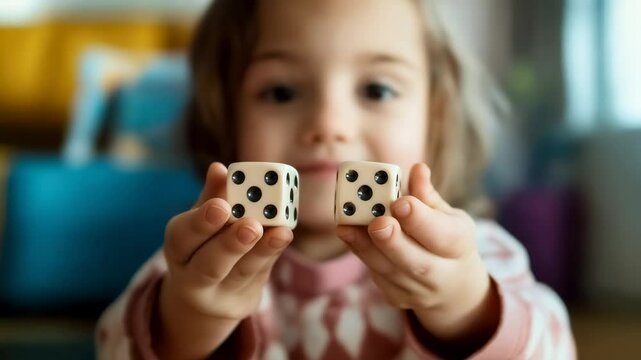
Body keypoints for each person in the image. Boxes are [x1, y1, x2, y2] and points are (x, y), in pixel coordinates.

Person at [96, 0, 576, 358]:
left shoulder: (478, 258)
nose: (329, 124)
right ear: (225, 115)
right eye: (281, 91)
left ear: (437, 117)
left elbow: (556, 347)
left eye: (377, 88)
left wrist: (466, 310)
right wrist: (190, 318)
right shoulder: (194, 266)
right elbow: (111, 346)